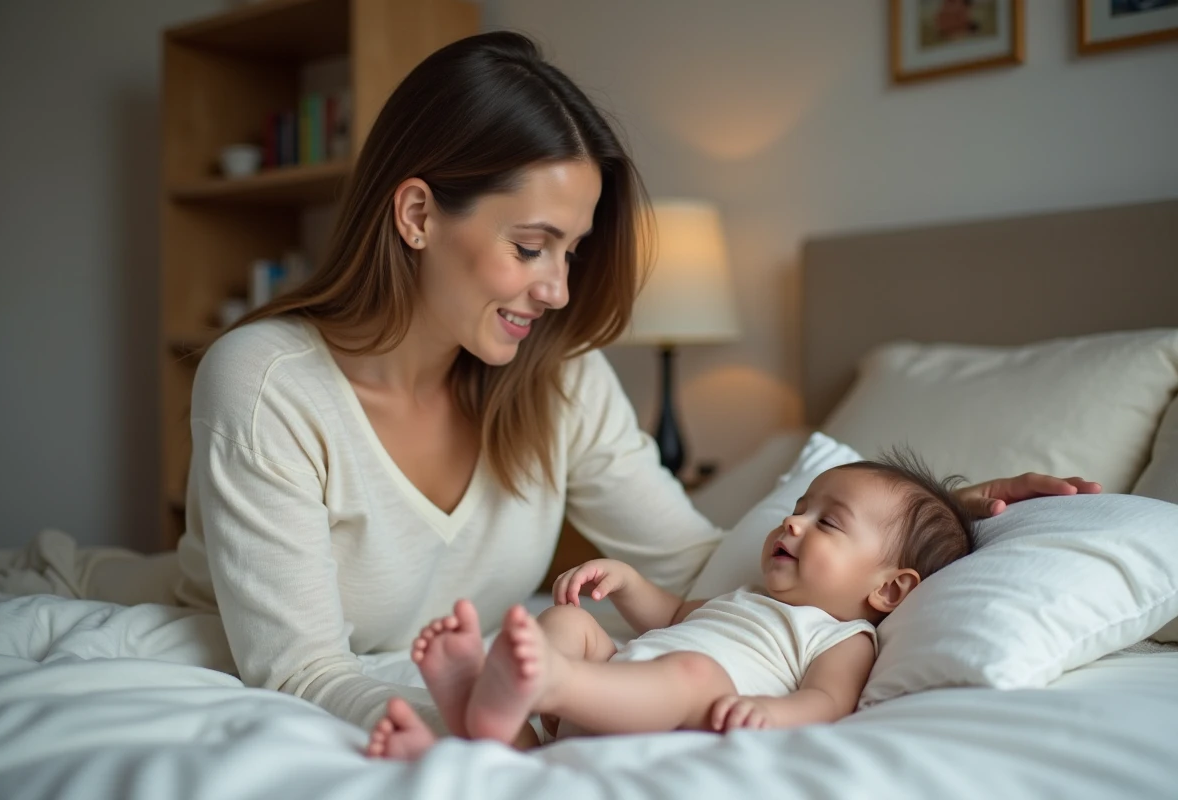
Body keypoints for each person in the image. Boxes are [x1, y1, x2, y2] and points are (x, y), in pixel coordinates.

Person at [166, 30, 1100, 736]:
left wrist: (948, 509)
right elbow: (297, 668)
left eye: (570, 251)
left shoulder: (555, 379)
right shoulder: (266, 383)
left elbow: (702, 567)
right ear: (416, 213)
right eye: (531, 247)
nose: (560, 290)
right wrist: (477, 727)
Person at [367, 453, 974, 758]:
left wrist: (768, 713)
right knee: (572, 623)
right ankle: (500, 720)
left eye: (827, 522)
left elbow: (827, 702)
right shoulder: (749, 598)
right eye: (800, 507)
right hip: (612, 691)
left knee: (696, 672)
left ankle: (525, 694)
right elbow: (674, 615)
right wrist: (628, 582)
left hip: (669, 710)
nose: (793, 521)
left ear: (889, 589)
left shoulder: (840, 637)